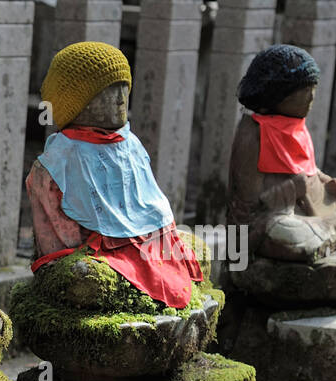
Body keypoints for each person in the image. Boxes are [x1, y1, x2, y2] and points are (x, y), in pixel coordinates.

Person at [26, 41, 204, 310]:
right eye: (109, 91)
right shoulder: (59, 159)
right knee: (83, 278)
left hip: (147, 240)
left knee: (196, 251)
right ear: (75, 100)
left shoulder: (129, 143)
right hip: (95, 251)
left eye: (124, 88)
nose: (121, 98)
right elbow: (56, 240)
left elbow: (147, 201)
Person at [227, 44, 336, 262]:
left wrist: (326, 181)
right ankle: (331, 231)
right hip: (269, 219)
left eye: (313, 90)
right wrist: (293, 188)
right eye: (304, 92)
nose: (311, 98)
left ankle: (325, 233)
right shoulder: (252, 133)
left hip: (306, 209)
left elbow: (306, 168)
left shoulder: (295, 126)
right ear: (278, 95)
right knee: (290, 233)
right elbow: (249, 204)